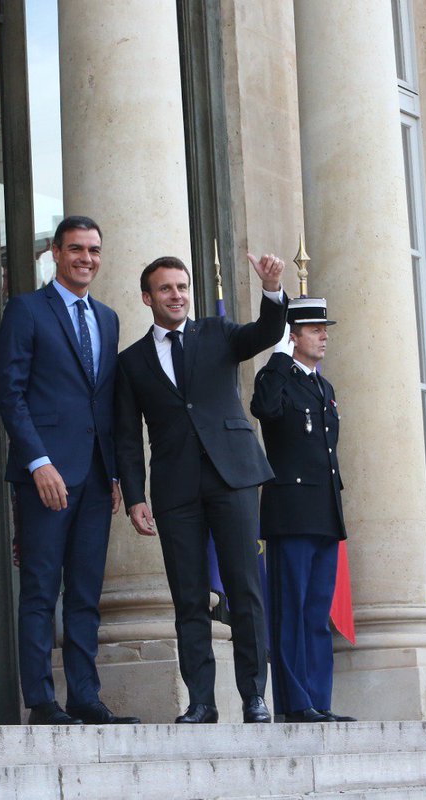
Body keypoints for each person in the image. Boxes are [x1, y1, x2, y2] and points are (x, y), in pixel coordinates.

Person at [115, 253, 286, 724]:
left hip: (233, 476)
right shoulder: (131, 362)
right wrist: (134, 496)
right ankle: (202, 702)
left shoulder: (218, 332)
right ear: (148, 298)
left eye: (182, 287)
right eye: (166, 289)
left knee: (244, 589)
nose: (177, 295)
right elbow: (127, 437)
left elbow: (266, 333)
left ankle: (254, 697)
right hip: (176, 488)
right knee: (188, 597)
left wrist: (272, 290)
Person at [0, 216, 137, 725]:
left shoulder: (108, 318)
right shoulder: (26, 309)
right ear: (54, 253)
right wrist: (38, 462)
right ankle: (40, 701)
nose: (86, 258)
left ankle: (85, 696)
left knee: (84, 593)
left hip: (98, 478)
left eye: (94, 250)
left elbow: (106, 402)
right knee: (39, 591)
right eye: (76, 248)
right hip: (46, 476)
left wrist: (116, 474)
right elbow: (10, 395)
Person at [250, 297, 355, 723]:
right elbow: (265, 409)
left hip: (323, 511)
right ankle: (296, 704)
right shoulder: (276, 378)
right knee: (291, 610)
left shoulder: (323, 387)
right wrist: (276, 355)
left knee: (316, 611)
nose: (324, 334)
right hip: (291, 511)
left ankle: (318, 699)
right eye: (314, 329)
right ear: (291, 337)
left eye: (324, 328)